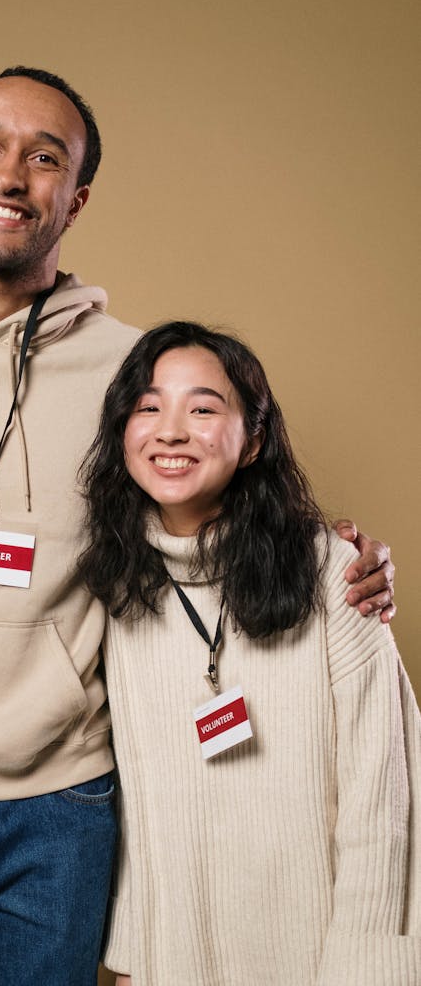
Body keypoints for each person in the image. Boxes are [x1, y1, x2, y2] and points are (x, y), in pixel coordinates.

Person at [0, 68, 394, 985]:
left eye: (44, 158)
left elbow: (207, 499)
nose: (11, 174)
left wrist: (339, 558)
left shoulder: (130, 368)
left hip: (62, 813)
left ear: (75, 198)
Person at [78, 321, 420, 985]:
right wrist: (131, 959)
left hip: (321, 962)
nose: (170, 431)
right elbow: (134, 809)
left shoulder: (333, 574)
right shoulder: (115, 586)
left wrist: (366, 970)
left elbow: (384, 798)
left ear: (254, 439)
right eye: (147, 407)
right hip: (169, 965)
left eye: (202, 408)